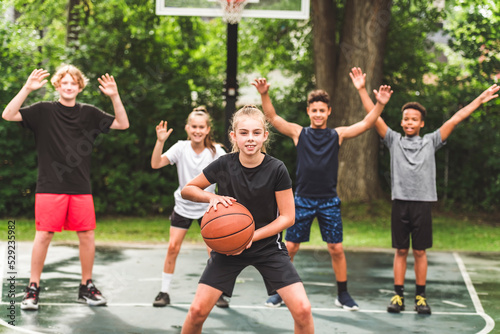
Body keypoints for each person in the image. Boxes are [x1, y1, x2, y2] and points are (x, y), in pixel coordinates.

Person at [349, 67, 499, 315]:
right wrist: (363, 90)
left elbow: (455, 118)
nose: (409, 122)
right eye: (406, 118)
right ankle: (398, 296)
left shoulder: (431, 141)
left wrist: (480, 100)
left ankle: (420, 296)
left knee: (419, 251)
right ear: (401, 122)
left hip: (422, 204)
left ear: (422, 123)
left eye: (414, 119)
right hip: (400, 203)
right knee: (401, 250)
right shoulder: (393, 140)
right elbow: (374, 118)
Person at [253, 78, 393, 310]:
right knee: (291, 247)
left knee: (336, 248)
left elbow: (368, 123)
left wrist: (380, 104)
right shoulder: (300, 133)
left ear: (329, 112)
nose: (318, 114)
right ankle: (280, 291)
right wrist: (264, 94)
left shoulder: (337, 135)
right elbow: (273, 118)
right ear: (308, 111)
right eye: (314, 110)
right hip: (302, 201)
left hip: (329, 201)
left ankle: (343, 294)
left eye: (322, 110)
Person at [2, 65, 129, 310]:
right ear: (57, 86)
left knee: (87, 235)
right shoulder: (43, 111)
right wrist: (28, 88)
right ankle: (32, 288)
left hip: (80, 186)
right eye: (64, 83)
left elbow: (122, 124)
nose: (69, 86)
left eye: (73, 83)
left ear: (79, 87)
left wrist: (114, 96)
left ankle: (86, 286)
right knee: (44, 235)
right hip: (49, 185)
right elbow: (8, 114)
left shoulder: (90, 113)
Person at [180, 105, 314, 334]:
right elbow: (188, 189)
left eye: (255, 133)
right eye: (243, 133)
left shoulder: (277, 169)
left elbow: (288, 217)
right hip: (228, 248)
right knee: (196, 312)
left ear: (265, 136)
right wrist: (211, 197)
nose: (250, 138)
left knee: (302, 310)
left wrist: (252, 236)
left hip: (268, 247)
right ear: (233, 136)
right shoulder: (224, 164)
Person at [150, 107, 227, 308]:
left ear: (208, 129)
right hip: (183, 206)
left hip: (207, 208)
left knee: (214, 252)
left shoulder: (217, 152)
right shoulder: (180, 148)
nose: (197, 130)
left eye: (201, 127)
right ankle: (164, 292)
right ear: (187, 128)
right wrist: (160, 141)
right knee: (173, 248)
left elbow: (232, 173)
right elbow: (156, 163)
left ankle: (217, 292)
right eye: (194, 126)